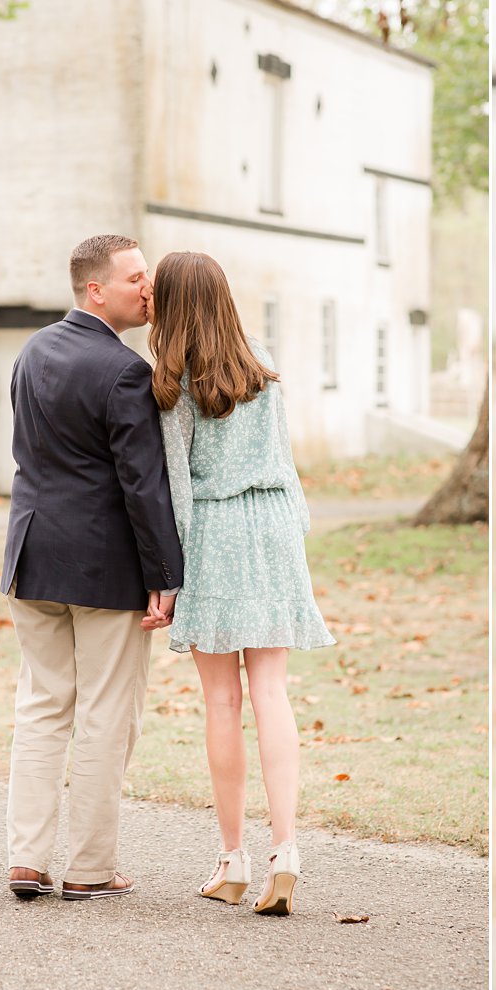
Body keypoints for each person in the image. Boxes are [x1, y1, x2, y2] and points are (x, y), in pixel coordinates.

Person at [144, 250, 334, 916]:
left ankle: (232, 861)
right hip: (276, 525)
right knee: (272, 691)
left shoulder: (173, 380)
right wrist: (293, 533)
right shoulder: (260, 365)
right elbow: (285, 459)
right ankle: (286, 849)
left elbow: (176, 485)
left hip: (216, 530)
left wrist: (168, 578)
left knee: (223, 701)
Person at [0, 233, 184, 901]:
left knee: (42, 706)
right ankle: (88, 866)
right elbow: (143, 483)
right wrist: (165, 572)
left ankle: (26, 857)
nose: (149, 288)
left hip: (30, 552)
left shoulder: (31, 351)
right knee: (108, 712)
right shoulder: (126, 371)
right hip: (104, 566)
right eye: (136, 277)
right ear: (95, 289)